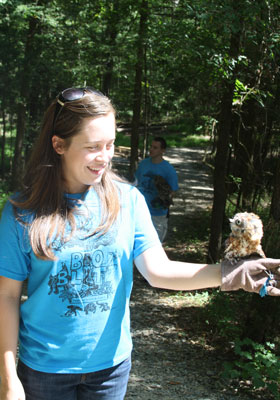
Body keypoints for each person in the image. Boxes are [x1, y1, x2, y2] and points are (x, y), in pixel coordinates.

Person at [0, 87, 280, 400]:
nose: (105, 157)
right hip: (42, 371)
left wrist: (231, 274)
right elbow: (7, 296)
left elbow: (159, 271)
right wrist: (8, 379)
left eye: (110, 144)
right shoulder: (21, 212)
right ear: (58, 145)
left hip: (110, 370)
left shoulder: (128, 201)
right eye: (93, 147)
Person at [135, 137, 178, 242]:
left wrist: (162, 201)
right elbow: (136, 183)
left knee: (155, 243)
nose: (151, 149)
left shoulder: (168, 170)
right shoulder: (143, 164)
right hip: (140, 210)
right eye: (151, 146)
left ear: (162, 150)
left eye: (155, 147)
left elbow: (173, 192)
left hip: (157, 213)